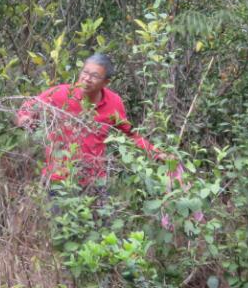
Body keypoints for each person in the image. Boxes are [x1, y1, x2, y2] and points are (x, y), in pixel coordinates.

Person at [15, 53, 176, 209]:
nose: (87, 79)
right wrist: (25, 119)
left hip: (94, 182)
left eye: (94, 76)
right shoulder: (61, 93)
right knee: (59, 225)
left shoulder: (113, 102)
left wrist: (157, 153)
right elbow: (29, 106)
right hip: (59, 180)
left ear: (106, 82)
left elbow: (131, 134)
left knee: (100, 225)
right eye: (85, 72)